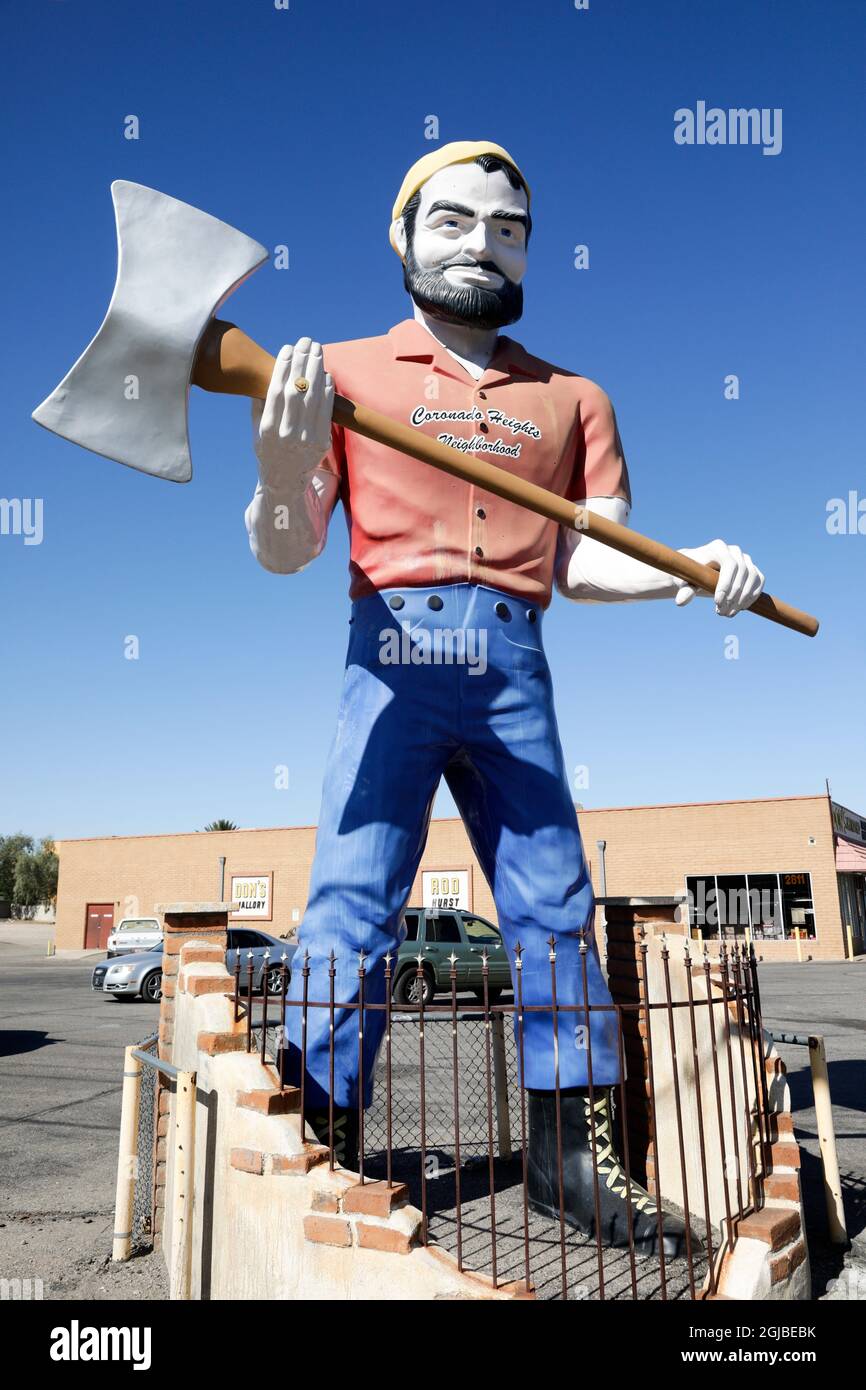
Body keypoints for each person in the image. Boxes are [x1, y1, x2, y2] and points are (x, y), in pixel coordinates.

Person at [245, 141, 764, 1255]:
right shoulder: (335, 373)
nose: (481, 242)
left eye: (506, 227)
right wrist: (284, 474)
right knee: (352, 896)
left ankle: (569, 1160)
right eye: (452, 221)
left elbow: (586, 560)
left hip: (515, 657)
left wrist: (689, 565)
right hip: (390, 650)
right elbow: (286, 549)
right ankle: (322, 1141)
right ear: (400, 235)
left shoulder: (573, 399)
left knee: (550, 902)